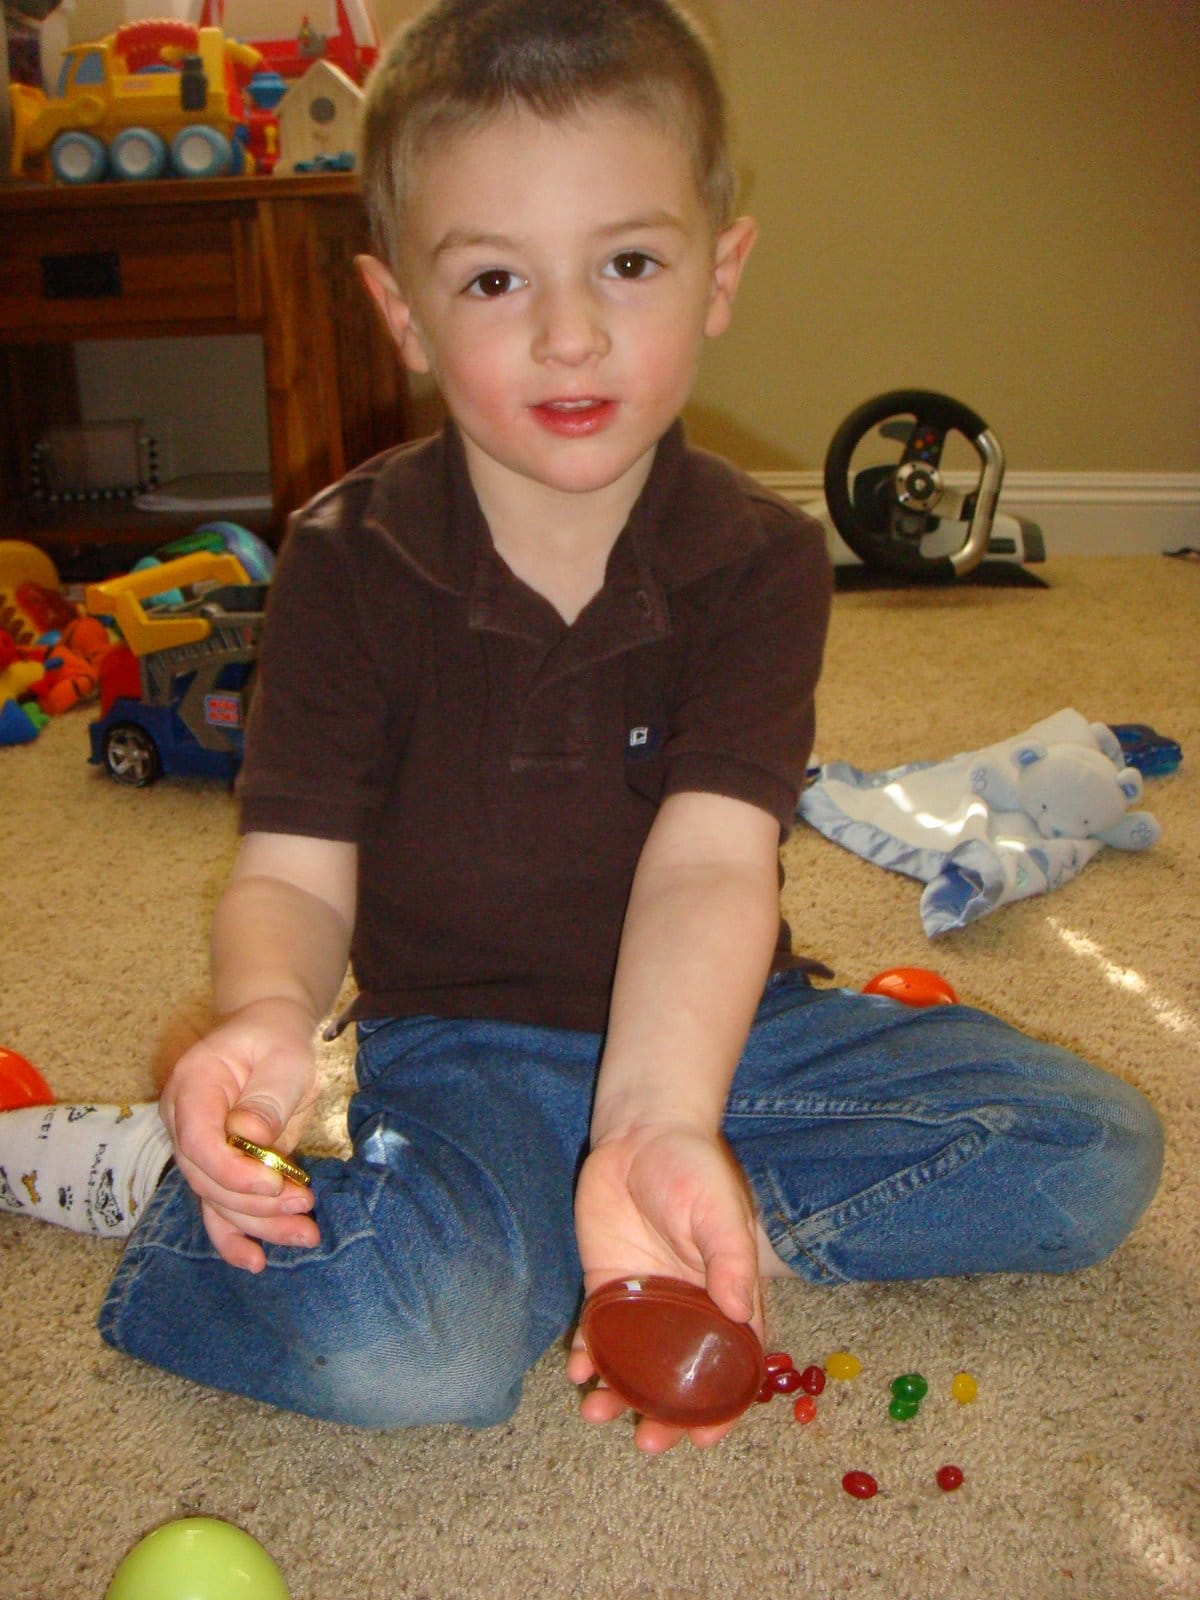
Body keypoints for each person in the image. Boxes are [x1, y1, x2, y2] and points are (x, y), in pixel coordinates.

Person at [0, 0, 1162, 1455]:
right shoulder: (346, 561)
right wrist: (268, 1017)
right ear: (400, 312)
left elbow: (708, 869)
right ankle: (179, 1192)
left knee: (1089, 1153)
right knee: (419, 1360)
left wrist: (659, 1118)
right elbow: (294, 877)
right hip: (463, 1049)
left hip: (724, 1029)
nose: (570, 330)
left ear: (720, 271)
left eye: (627, 261)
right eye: (494, 279)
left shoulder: (759, 560)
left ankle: (654, 1196)